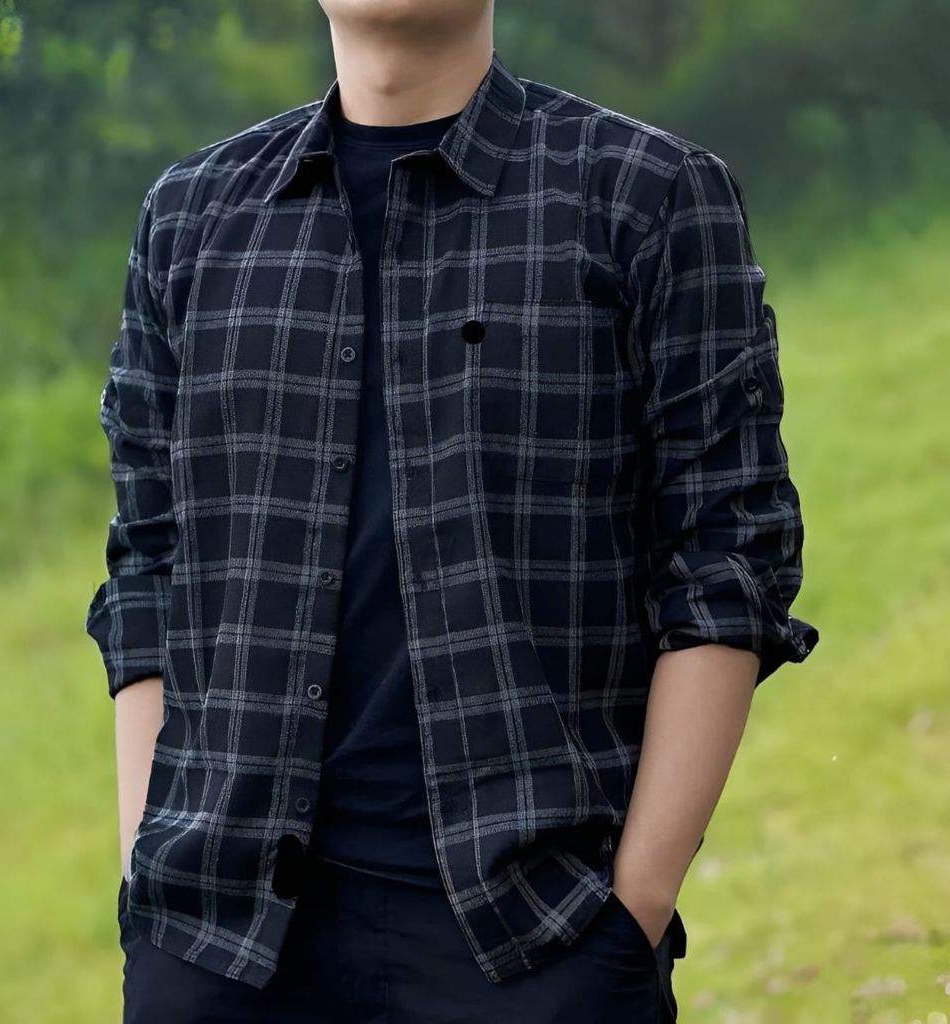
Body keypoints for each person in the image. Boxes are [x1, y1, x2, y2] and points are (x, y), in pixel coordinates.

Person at [84, 2, 819, 1021]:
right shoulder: (191, 217)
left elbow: (727, 558)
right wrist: (150, 877)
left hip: (535, 936)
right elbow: (149, 567)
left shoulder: (644, 195)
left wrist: (633, 910)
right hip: (222, 945)